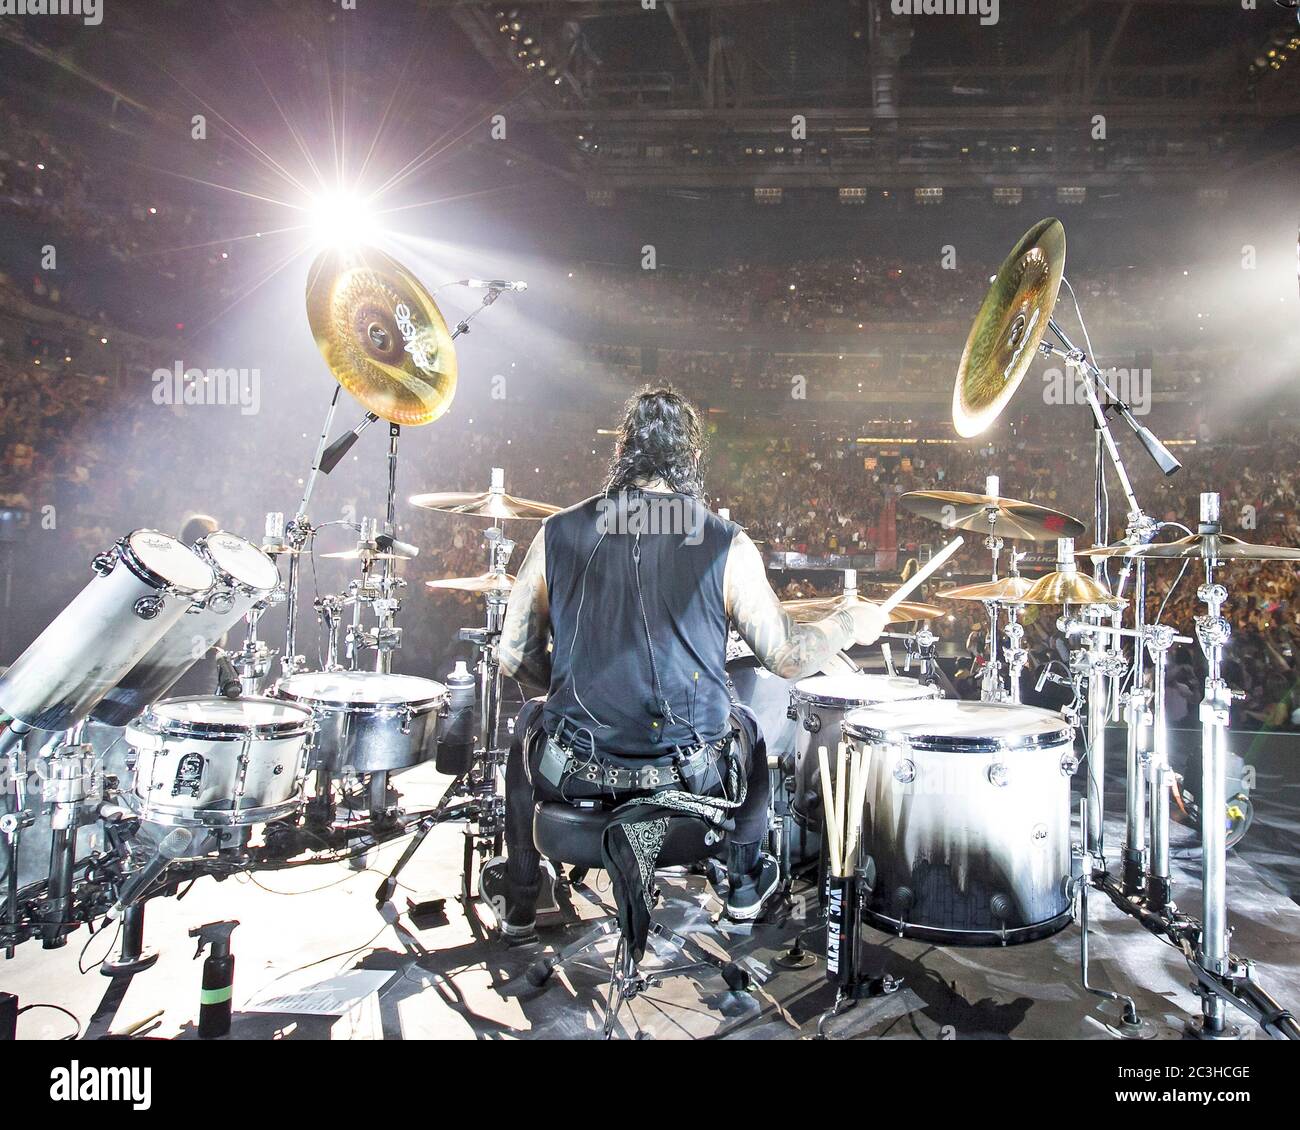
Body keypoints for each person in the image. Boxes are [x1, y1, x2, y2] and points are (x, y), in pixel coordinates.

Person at [487, 387, 887, 945]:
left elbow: (513, 656)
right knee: (744, 725)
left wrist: (561, 690)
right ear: (691, 459)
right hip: (690, 775)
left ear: (624, 449)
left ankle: (522, 901)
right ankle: (743, 884)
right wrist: (849, 623)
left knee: (531, 725)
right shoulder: (725, 542)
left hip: (577, 769)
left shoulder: (557, 533)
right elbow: (786, 656)